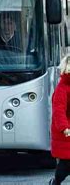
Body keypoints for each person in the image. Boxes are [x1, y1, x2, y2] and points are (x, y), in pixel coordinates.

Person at [50, 55, 70, 185]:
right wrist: (64, 128)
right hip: (66, 133)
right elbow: (58, 110)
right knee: (66, 164)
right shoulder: (62, 88)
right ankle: (56, 181)